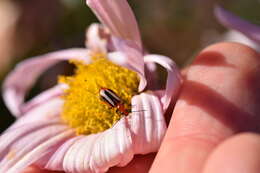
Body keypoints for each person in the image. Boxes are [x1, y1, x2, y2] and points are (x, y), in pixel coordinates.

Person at [22, 42, 260, 173]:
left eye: (125, 111)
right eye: (125, 111)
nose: (125, 112)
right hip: (105, 96)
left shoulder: (124, 108)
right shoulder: (122, 107)